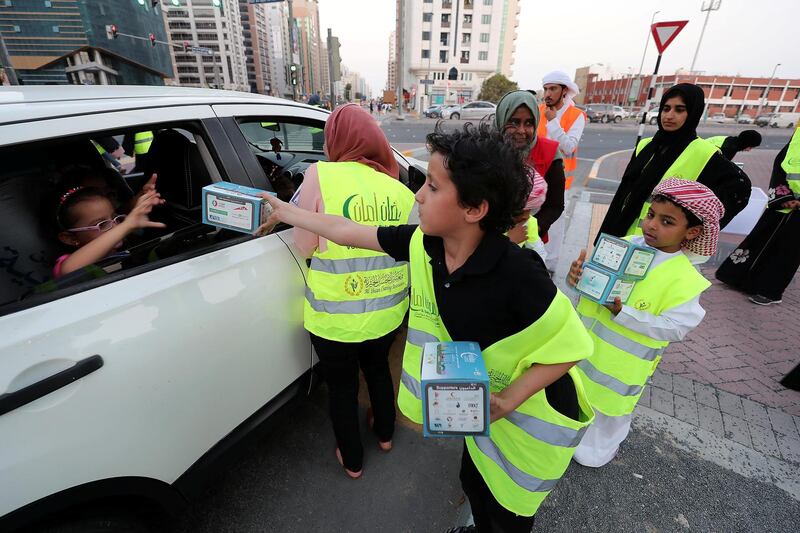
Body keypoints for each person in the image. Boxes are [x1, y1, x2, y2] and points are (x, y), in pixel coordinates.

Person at [259, 123, 595, 532]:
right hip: (483, 414)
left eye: (433, 187)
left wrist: (508, 400)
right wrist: (286, 211)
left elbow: (573, 346)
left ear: (474, 209)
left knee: (507, 512)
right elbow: (348, 231)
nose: (418, 193)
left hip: (528, 424)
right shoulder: (426, 245)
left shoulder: (518, 273)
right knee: (474, 482)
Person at [290, 103, 416, 479]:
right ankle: (386, 434)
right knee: (378, 371)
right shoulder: (400, 189)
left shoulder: (320, 176)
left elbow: (304, 245)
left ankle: (354, 461)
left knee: (342, 389)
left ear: (335, 138)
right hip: (387, 312)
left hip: (333, 318)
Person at [568, 178, 724, 467]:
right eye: (651, 215)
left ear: (691, 232)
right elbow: (594, 286)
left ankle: (599, 450)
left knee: (610, 410)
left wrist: (624, 313)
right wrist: (578, 278)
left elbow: (676, 327)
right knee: (578, 394)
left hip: (622, 367)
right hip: (585, 348)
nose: (651, 225)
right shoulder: (623, 245)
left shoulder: (685, 279)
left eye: (667, 222)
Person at [598, 83, 751, 249]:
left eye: (679, 110)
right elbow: (622, 195)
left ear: (693, 113)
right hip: (621, 233)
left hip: (661, 246)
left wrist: (700, 229)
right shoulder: (646, 146)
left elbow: (740, 188)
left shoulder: (704, 153)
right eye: (666, 109)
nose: (669, 116)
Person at [715, 129, 800, 306]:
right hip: (783, 203)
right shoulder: (798, 137)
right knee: (758, 241)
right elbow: (781, 165)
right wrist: (783, 197)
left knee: (788, 253)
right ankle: (737, 277)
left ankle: (770, 291)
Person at [494, 90, 565, 253]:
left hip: (529, 243)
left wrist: (529, 231)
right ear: (502, 119)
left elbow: (555, 205)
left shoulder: (550, 153)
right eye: (514, 122)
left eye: (529, 123)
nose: (522, 130)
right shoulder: (485, 148)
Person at [53, 186, 165, 278]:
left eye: (114, 217)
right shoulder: (69, 262)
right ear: (71, 239)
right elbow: (69, 270)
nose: (116, 227)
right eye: (102, 224)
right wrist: (127, 225)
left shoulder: (126, 246)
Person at [538, 71, 587, 271]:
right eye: (546, 89)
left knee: (554, 224)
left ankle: (549, 266)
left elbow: (569, 146)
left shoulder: (577, 115)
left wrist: (553, 121)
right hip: (535, 178)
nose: (548, 93)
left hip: (559, 180)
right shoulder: (539, 109)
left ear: (564, 91)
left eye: (553, 89)